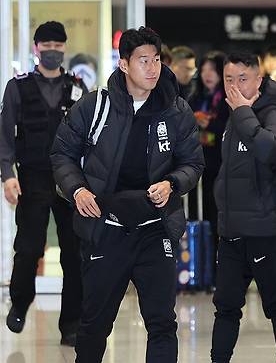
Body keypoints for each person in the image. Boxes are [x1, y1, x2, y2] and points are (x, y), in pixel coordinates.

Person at [50, 26, 204, 363]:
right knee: (93, 325)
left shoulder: (176, 111)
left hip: (155, 228)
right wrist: (77, 189)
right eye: (143, 61)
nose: (152, 68)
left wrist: (173, 183)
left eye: (157, 60)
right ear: (124, 65)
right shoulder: (95, 106)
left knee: (163, 323)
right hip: (107, 228)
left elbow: (193, 162)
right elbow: (61, 154)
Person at [0, 21, 86, 346]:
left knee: (74, 254)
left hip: (70, 181)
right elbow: (5, 135)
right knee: (28, 248)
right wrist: (8, 175)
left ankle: (73, 325)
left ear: (64, 48)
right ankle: (20, 302)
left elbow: (90, 137)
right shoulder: (18, 87)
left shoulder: (77, 88)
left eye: (58, 45)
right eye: (46, 45)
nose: (52, 51)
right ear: (36, 48)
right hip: (33, 178)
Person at [211, 51, 276, 363]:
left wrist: (245, 113)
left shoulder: (273, 112)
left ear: (258, 80)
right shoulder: (233, 117)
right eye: (229, 80)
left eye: (243, 79)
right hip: (233, 231)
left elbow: (270, 148)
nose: (235, 87)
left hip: (266, 229)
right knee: (225, 306)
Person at [187, 51, 230, 251]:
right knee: (197, 212)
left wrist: (209, 124)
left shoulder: (228, 99)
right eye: (203, 69)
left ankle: (216, 266)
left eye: (212, 69)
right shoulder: (195, 97)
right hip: (197, 166)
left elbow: (228, 128)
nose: (207, 74)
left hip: (220, 166)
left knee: (216, 215)